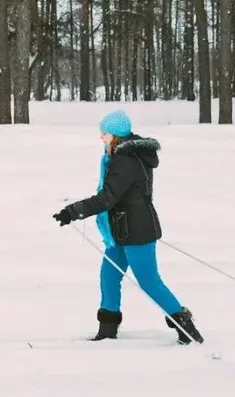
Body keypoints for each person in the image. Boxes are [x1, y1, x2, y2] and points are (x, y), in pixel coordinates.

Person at [53, 109, 204, 345]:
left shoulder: (125, 161)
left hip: (136, 229)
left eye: (104, 133)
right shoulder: (123, 156)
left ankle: (186, 328)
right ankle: (107, 330)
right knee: (109, 276)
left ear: (115, 135)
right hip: (120, 230)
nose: (101, 138)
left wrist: (72, 211)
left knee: (149, 281)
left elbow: (107, 198)